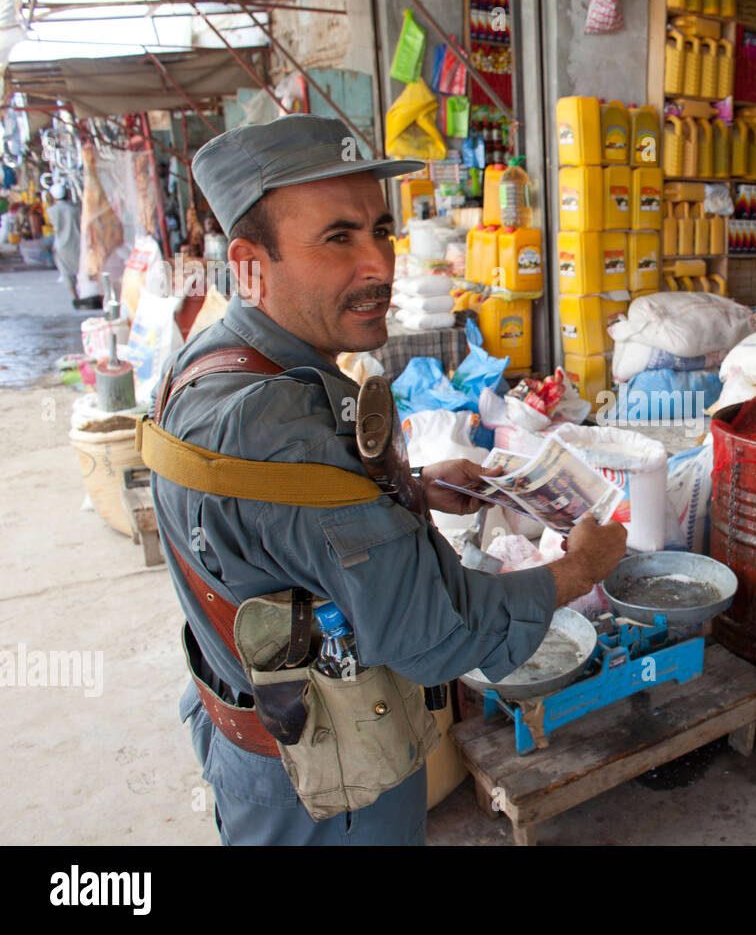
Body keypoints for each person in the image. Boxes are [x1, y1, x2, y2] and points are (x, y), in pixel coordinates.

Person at [152, 115, 627, 844]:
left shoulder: (216, 356)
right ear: (250, 262)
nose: (379, 264)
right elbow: (433, 633)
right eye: (337, 238)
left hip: (265, 738)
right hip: (327, 788)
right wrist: (577, 569)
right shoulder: (277, 425)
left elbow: (283, 535)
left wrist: (407, 490)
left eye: (380, 229)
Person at [47, 183, 81, 304]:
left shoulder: (51, 211)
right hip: (77, 242)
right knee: (81, 268)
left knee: (66, 272)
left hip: (61, 244)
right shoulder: (76, 210)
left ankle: (75, 296)